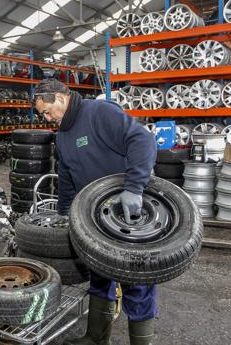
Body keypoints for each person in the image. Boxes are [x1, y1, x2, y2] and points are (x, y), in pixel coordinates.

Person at [33, 79, 157, 345]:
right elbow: (66, 176)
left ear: (60, 97)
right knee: (100, 275)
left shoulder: (99, 113)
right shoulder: (63, 135)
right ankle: (96, 338)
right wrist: (64, 212)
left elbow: (142, 140)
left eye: (46, 111)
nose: (47, 118)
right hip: (94, 216)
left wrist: (134, 187)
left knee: (137, 281)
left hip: (127, 213)